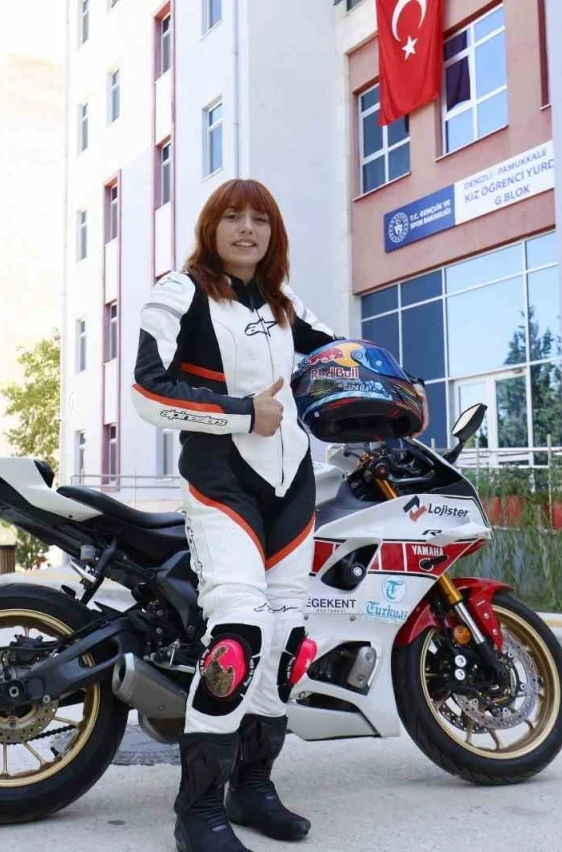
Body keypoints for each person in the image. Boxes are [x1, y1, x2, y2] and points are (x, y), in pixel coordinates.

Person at [131, 179, 337, 852]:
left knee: (287, 639)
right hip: (222, 482)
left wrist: (393, 397)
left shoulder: (285, 302)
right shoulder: (180, 291)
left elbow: (338, 360)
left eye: (260, 219)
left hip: (292, 485)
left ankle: (253, 787)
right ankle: (197, 813)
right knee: (239, 635)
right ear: (211, 228)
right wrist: (244, 412)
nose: (248, 229)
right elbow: (146, 390)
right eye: (234, 217)